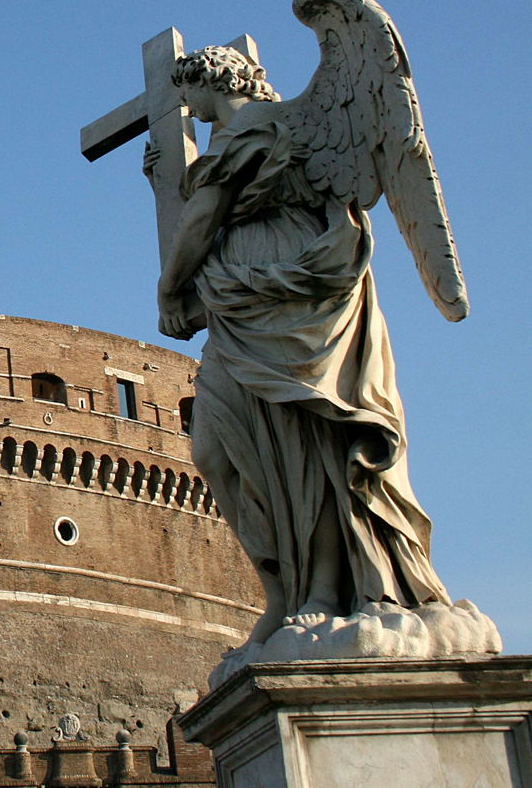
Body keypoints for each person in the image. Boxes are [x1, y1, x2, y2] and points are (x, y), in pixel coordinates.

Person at [147, 45, 449, 650]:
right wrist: (168, 181)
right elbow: (204, 216)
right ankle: (283, 592)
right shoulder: (229, 146)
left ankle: (326, 589)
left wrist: (170, 289)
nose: (188, 110)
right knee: (217, 451)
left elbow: (204, 220)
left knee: (312, 448)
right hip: (240, 306)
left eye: (192, 97)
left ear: (212, 81)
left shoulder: (270, 128)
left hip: (295, 302)